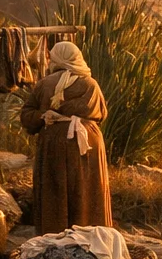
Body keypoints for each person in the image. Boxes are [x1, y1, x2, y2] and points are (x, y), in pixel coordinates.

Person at [19, 41, 111, 234]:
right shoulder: (91, 85)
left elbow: (27, 116)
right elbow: (102, 113)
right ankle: (90, 237)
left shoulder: (45, 84)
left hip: (54, 140)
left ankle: (54, 238)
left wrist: (43, 116)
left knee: (55, 191)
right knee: (87, 190)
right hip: (87, 142)